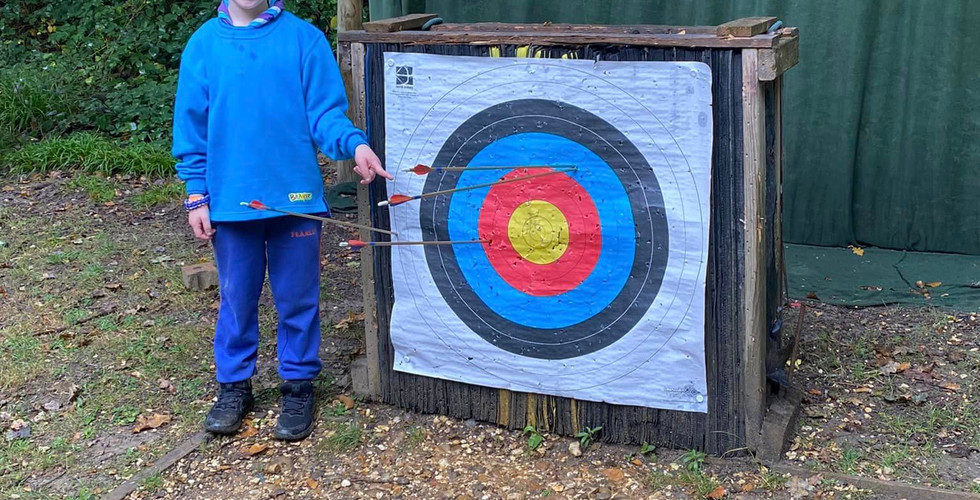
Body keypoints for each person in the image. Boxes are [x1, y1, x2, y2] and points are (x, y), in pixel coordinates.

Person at [171, 0, 391, 441]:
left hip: (296, 201)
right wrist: (197, 195)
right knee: (237, 297)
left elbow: (326, 115)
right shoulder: (204, 44)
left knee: (297, 297)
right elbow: (191, 126)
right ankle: (234, 385)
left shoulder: (304, 40)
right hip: (231, 204)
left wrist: (355, 144)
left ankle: (298, 385)